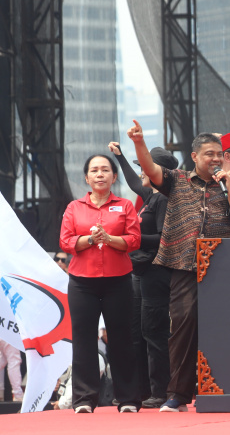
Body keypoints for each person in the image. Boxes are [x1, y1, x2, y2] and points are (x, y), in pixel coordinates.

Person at [128, 122, 230, 412]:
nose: (215, 159)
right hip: (184, 265)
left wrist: (228, 189)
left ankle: (226, 388)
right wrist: (138, 143)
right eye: (209, 153)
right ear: (195, 156)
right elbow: (151, 169)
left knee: (222, 327)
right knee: (182, 328)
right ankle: (178, 395)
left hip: (222, 266)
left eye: (219, 154)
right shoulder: (178, 180)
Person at [59, 154, 142, 413]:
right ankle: (84, 399)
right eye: (94, 170)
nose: (100, 174)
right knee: (83, 339)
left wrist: (109, 238)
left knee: (121, 338)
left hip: (118, 280)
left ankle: (127, 399)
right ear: (86, 177)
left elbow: (134, 240)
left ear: (114, 177)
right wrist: (92, 240)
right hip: (82, 282)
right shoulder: (74, 207)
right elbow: (65, 242)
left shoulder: (126, 205)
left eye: (105, 170)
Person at [108, 142, 177, 409]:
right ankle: (139, 391)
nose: (142, 173)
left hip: (155, 271)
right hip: (139, 273)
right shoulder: (151, 196)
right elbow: (135, 183)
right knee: (136, 333)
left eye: (146, 167)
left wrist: (130, 240)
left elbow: (163, 238)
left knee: (153, 332)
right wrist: (120, 157)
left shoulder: (165, 199)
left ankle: (161, 391)